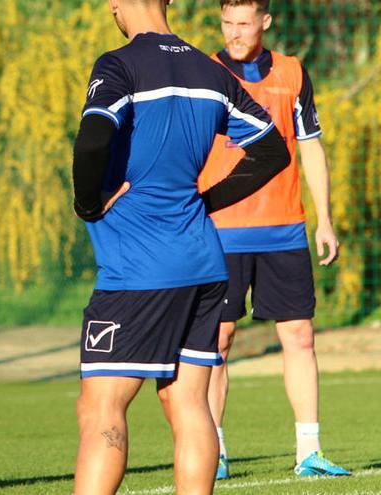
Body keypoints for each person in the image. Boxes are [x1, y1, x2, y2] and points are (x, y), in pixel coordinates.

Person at [71, 1, 291, 493]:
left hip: (138, 270)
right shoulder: (207, 70)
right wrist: (204, 200)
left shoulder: (119, 64)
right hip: (203, 264)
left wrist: (88, 204)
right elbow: (273, 149)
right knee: (188, 403)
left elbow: (92, 140)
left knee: (101, 406)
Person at [197, 0, 350, 480]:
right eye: (227, 23)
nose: (234, 32)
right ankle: (213, 454)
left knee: (300, 336)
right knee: (216, 342)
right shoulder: (202, 72)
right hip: (219, 231)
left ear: (265, 22)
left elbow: (310, 145)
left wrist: (323, 220)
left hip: (284, 230)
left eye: (243, 23)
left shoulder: (291, 72)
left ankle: (309, 451)